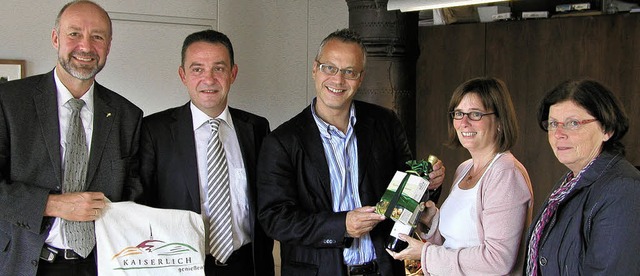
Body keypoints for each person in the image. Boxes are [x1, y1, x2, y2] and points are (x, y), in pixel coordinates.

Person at [256, 28, 445, 276]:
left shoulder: (386, 123)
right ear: (315, 69)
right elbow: (275, 219)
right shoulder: (282, 141)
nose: (338, 80)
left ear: (361, 77)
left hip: (384, 269)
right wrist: (341, 225)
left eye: (349, 72)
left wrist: (428, 183)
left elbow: (406, 194)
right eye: (329, 68)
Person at [0, 1, 143, 275]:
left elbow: (134, 196)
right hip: (27, 264)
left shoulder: (128, 115)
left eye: (97, 37)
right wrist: (52, 204)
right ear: (55, 38)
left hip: (101, 265)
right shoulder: (8, 102)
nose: (86, 46)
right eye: (74, 33)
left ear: (108, 46)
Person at [139, 29, 274, 276]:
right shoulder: (154, 131)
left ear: (233, 73)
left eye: (219, 68)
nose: (209, 79)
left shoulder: (257, 128)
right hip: (180, 265)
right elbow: (141, 205)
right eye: (197, 69)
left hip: (247, 264)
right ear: (183, 75)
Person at [386, 77, 533, 275]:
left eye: (475, 114)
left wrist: (425, 254)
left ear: (499, 121)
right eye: (458, 113)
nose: (464, 122)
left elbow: (498, 261)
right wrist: (431, 221)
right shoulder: (464, 169)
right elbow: (456, 242)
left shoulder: (505, 174)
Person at [524, 79, 640, 275]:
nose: (558, 134)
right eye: (553, 124)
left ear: (607, 129)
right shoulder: (568, 182)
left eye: (573, 123)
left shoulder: (623, 189)